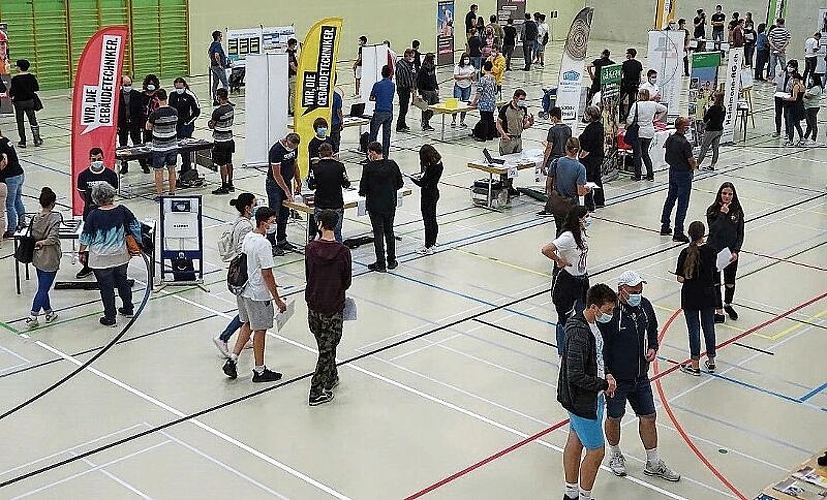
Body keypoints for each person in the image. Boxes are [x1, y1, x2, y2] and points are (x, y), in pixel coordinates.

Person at [601, 270, 681, 482]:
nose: (638, 294)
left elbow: (653, 328)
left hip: (641, 377)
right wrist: (607, 373)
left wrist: (653, 347)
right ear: (621, 291)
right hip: (616, 380)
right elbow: (602, 346)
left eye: (640, 290)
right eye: (634, 291)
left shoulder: (645, 306)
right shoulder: (611, 314)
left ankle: (653, 462)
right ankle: (615, 454)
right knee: (614, 417)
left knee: (649, 417)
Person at [556, 283, 618, 500]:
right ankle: (584, 496)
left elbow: (597, 358)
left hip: (587, 398)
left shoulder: (591, 325)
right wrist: (603, 384)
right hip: (583, 401)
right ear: (594, 307)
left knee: (575, 441)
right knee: (597, 451)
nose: (610, 315)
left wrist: (607, 373)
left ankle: (570, 494)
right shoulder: (579, 333)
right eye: (608, 310)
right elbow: (575, 375)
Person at [221, 206, 288, 383]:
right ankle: (259, 370)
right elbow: (267, 274)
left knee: (247, 323)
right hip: (258, 294)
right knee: (260, 330)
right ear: (264, 223)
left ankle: (233, 359)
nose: (274, 224)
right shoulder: (264, 244)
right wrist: (278, 300)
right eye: (272, 221)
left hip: (244, 291)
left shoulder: (249, 237)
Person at [304, 209, 352, 406]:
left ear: (320, 224)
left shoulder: (310, 249)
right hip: (333, 305)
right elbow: (346, 281)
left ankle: (331, 376)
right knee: (328, 347)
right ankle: (316, 390)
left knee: (324, 344)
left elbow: (308, 275)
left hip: (314, 304)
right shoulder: (343, 252)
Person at [78, 182, 140, 327]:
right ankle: (128, 308)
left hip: (101, 258)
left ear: (95, 198)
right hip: (120, 254)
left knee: (106, 287)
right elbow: (135, 225)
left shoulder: (93, 215)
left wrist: (81, 251)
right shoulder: (122, 210)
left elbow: (86, 237)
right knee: (122, 281)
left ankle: (110, 316)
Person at [542, 205, 591, 356]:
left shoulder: (580, 234)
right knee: (565, 319)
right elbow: (546, 249)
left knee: (584, 315)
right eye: (586, 217)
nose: (588, 219)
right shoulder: (568, 237)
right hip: (568, 282)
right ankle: (563, 353)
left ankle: (580, 347)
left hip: (582, 280)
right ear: (578, 219)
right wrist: (559, 260)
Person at [213, 193, 256, 357]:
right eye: (254, 204)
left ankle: (246, 338)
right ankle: (223, 337)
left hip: (239, 269)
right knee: (247, 311)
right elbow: (242, 249)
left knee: (246, 310)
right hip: (243, 273)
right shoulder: (245, 226)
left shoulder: (239, 221)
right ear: (247, 207)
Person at [676, 220, 718, 376]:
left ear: (689, 234)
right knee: (709, 327)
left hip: (690, 296)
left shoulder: (685, 253)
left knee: (693, 329)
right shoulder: (711, 251)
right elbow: (715, 272)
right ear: (703, 234)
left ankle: (695, 365)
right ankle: (712, 361)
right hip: (708, 295)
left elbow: (680, 278)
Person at [75, 147, 119, 279]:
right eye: (94, 159)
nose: (96, 161)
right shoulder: (83, 176)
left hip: (108, 214)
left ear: (103, 158)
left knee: (109, 239)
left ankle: (112, 267)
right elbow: (82, 194)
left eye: (99, 159)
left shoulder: (111, 175)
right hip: (90, 214)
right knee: (90, 239)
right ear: (89, 160)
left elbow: (113, 193)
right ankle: (88, 266)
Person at [359, 141, 403, 272]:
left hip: (374, 206)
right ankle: (391, 260)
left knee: (378, 234)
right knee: (389, 231)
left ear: (373, 152)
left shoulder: (368, 168)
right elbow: (400, 183)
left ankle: (380, 263)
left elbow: (362, 189)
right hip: (390, 204)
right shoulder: (392, 165)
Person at [706, 183, 744, 325]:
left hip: (731, 254)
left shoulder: (738, 212)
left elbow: (740, 233)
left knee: (730, 282)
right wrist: (722, 213)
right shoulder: (712, 211)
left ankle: (728, 304)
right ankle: (719, 310)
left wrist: (736, 251)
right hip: (715, 252)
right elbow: (714, 230)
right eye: (724, 193)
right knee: (716, 283)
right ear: (719, 194)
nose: (727, 196)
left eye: (730, 194)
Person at [26, 187, 61, 327]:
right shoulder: (55, 218)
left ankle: (49, 312)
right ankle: (33, 316)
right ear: (53, 203)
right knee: (43, 289)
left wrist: (38, 242)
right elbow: (52, 239)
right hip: (50, 257)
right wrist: (43, 242)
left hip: (37, 256)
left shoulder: (35, 218)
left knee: (43, 286)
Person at [660, 117, 697, 243]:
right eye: (687, 125)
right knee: (682, 203)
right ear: (682, 126)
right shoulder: (684, 143)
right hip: (683, 174)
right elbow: (691, 160)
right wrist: (694, 166)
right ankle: (678, 231)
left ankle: (665, 225)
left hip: (673, 171)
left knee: (670, 198)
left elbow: (664, 147)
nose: (688, 127)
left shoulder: (671, 138)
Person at [266, 133, 302, 256]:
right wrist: (286, 190)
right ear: (286, 141)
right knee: (274, 214)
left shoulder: (294, 148)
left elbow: (294, 164)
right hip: (274, 184)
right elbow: (276, 174)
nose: (292, 148)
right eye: (290, 146)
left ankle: (282, 239)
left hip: (287, 181)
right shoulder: (276, 151)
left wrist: (298, 180)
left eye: (294, 147)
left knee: (284, 213)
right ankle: (271, 243)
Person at [308, 143, 350, 243]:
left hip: (320, 204)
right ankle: (337, 254)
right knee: (336, 232)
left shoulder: (315, 167)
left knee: (320, 232)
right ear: (332, 153)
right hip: (336, 203)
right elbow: (346, 184)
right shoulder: (340, 166)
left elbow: (311, 185)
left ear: (320, 154)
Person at [626, 89, 667, 181]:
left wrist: (626, 126)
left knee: (637, 154)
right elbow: (664, 109)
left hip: (638, 132)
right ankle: (650, 175)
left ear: (639, 95)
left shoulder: (636, 105)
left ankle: (637, 175)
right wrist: (657, 119)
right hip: (649, 131)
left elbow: (630, 119)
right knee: (645, 154)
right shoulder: (653, 104)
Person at [145, 89, 179, 198]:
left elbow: (148, 127)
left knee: (159, 171)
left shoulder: (155, 114)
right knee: (172, 169)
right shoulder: (174, 111)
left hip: (159, 147)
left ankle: (160, 195)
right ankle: (172, 192)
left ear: (157, 99)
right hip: (173, 145)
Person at [411, 144, 443, 255]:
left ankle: (428, 245)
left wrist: (412, 179)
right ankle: (433, 242)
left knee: (427, 221)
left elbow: (423, 183)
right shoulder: (438, 164)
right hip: (434, 193)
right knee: (433, 218)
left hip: (428, 195)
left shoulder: (432, 168)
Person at [168, 77, 200, 175]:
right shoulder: (172, 95)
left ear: (184, 86)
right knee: (178, 147)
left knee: (186, 148)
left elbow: (197, 111)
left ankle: (187, 167)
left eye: (180, 87)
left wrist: (187, 122)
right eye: (177, 87)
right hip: (175, 126)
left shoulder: (190, 96)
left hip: (186, 126)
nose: (179, 89)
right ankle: (183, 166)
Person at [9, 59, 41, 148]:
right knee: (32, 119)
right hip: (30, 101)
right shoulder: (31, 77)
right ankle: (37, 139)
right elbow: (36, 88)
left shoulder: (15, 79)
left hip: (19, 102)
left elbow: (12, 92)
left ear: (19, 67)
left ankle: (23, 141)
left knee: (20, 121)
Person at [208, 88, 235, 194]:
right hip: (229, 139)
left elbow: (212, 125)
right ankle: (230, 183)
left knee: (222, 164)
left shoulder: (217, 111)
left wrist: (210, 123)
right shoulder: (230, 108)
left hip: (220, 141)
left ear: (219, 97)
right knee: (229, 162)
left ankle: (224, 185)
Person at [579, 106, 605, 211]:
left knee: (589, 180)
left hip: (590, 158)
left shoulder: (590, 129)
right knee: (597, 179)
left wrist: (581, 155)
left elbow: (588, 145)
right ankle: (599, 200)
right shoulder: (600, 126)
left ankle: (589, 204)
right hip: (598, 156)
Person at [116, 75, 144, 174]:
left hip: (134, 123)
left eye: (129, 84)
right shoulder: (117, 96)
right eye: (125, 85)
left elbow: (141, 110)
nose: (127, 86)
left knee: (138, 144)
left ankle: (143, 164)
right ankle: (124, 166)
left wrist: (141, 124)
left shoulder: (137, 95)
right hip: (122, 124)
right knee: (123, 145)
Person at [0, 129, 25, 237]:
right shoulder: (5, 140)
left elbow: (3, 161)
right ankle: (22, 222)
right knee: (17, 200)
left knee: (9, 204)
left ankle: (11, 229)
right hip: (19, 173)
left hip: (11, 177)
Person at [368, 65, 395, 159]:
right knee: (386, 136)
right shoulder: (392, 85)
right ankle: (385, 156)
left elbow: (371, 98)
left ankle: (370, 156)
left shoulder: (377, 85)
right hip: (389, 112)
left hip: (379, 112)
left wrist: (377, 98)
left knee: (373, 135)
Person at [469, 60, 498, 141]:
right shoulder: (493, 78)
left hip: (484, 102)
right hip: (492, 102)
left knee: (484, 120)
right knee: (490, 119)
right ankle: (490, 136)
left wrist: (473, 102)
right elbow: (495, 90)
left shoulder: (483, 79)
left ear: (484, 68)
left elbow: (479, 92)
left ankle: (483, 137)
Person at [697, 91, 725, 171]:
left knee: (704, 147)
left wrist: (706, 110)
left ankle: (698, 163)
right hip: (719, 130)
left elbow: (705, 119)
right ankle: (712, 165)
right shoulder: (723, 108)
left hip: (711, 130)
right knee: (715, 148)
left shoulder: (713, 108)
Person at [139, 74, 161, 173]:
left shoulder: (158, 96)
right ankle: (147, 159)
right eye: (149, 84)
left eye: (152, 84)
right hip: (145, 122)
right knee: (147, 141)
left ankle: (155, 159)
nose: (150, 86)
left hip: (156, 123)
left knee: (156, 141)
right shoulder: (142, 95)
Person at [542, 106, 572, 176]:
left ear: (554, 117)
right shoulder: (568, 129)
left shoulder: (552, 130)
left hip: (554, 160)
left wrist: (544, 164)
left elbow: (549, 147)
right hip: (565, 159)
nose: (551, 119)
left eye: (551, 117)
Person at [773, 59, 797, 138]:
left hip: (787, 97)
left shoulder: (795, 77)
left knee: (787, 115)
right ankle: (777, 130)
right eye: (789, 66)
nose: (789, 68)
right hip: (778, 95)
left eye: (791, 67)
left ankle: (787, 132)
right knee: (778, 114)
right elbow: (775, 80)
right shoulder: (782, 73)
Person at [395, 49, 417, 133]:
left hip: (407, 89)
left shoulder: (408, 64)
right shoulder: (401, 65)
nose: (411, 58)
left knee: (405, 107)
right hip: (403, 89)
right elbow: (401, 79)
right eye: (410, 56)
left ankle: (403, 123)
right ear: (407, 55)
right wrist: (408, 86)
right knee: (403, 108)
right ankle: (399, 125)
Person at [783, 66, 806, 147]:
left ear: (796, 79)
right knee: (797, 124)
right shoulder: (803, 86)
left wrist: (786, 98)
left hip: (793, 107)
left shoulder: (796, 86)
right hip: (800, 106)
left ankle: (791, 141)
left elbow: (794, 98)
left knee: (791, 124)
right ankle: (802, 138)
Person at [417, 53, 439, 132]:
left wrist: (436, 87)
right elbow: (419, 81)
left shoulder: (433, 68)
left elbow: (434, 78)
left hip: (432, 90)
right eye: (432, 59)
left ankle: (426, 120)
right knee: (426, 107)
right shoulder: (423, 69)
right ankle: (425, 123)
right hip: (425, 91)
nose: (433, 60)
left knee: (434, 106)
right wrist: (420, 92)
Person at [452, 54, 476, 128]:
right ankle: (453, 120)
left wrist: (472, 77)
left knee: (465, 103)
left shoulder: (471, 67)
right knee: (456, 102)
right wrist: (465, 76)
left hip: (467, 87)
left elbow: (474, 78)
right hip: (458, 86)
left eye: (467, 59)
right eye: (465, 59)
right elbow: (456, 76)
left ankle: (462, 121)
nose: (466, 60)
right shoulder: (458, 67)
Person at [619, 49, 643, 121]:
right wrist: (638, 83)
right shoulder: (639, 64)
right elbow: (639, 76)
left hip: (626, 85)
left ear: (630, 54)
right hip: (634, 85)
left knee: (621, 100)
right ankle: (630, 116)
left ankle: (621, 116)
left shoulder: (625, 64)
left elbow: (621, 74)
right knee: (632, 102)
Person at [208, 30, 229, 106]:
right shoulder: (217, 45)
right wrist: (219, 64)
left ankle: (215, 99)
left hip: (213, 66)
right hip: (218, 67)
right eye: (221, 36)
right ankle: (225, 99)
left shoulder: (212, 44)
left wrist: (212, 61)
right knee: (225, 84)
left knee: (215, 83)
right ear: (218, 37)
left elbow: (210, 53)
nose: (222, 37)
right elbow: (217, 55)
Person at [803, 74, 822, 146]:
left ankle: (813, 139)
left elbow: (808, 96)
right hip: (808, 107)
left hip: (812, 107)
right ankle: (805, 137)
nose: (810, 80)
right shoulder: (812, 87)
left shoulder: (816, 88)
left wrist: (804, 93)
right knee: (808, 124)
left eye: (812, 79)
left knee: (813, 124)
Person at [286, 38, 299, 115]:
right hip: (292, 76)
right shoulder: (290, 54)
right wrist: (299, 71)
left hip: (290, 76)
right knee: (293, 93)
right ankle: (292, 110)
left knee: (290, 93)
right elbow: (292, 66)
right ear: (293, 44)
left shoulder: (288, 53)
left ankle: (289, 108)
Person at [331, 83, 344, 152]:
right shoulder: (337, 96)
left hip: (325, 122)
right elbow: (338, 111)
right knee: (335, 142)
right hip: (335, 123)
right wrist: (341, 121)